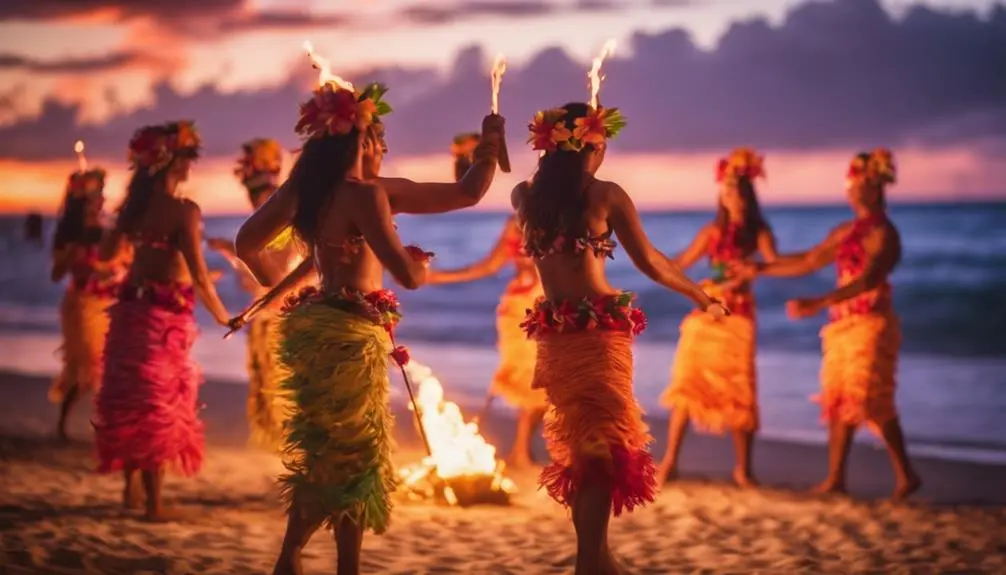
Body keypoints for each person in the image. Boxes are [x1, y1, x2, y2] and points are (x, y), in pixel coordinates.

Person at [232, 80, 504, 575]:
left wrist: (288, 295)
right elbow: (407, 275)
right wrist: (418, 263)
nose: (383, 148)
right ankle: (313, 559)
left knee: (336, 450)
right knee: (354, 455)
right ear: (363, 140)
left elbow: (246, 243)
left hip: (316, 331)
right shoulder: (367, 195)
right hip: (350, 340)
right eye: (379, 138)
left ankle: (304, 557)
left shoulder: (307, 192)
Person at [514, 103, 727, 574]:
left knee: (585, 448)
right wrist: (701, 295)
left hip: (557, 337)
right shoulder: (605, 195)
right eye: (601, 138)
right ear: (591, 144)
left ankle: (599, 558)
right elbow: (649, 259)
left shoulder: (523, 196)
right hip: (598, 336)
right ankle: (591, 561)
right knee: (602, 448)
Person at [733, 148, 921, 501]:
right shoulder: (846, 231)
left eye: (856, 182)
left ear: (875, 185)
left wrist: (818, 302)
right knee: (838, 399)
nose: (848, 188)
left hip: (870, 325)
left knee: (869, 397)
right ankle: (836, 478)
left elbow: (867, 280)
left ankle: (906, 474)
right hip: (841, 328)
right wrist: (760, 268)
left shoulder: (886, 235)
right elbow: (808, 260)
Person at [93, 120, 232, 521]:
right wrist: (225, 317)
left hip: (129, 314)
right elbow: (199, 273)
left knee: (132, 402)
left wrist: (115, 222)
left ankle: (130, 493)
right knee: (157, 405)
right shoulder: (184, 210)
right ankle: (153, 505)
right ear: (172, 160)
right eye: (189, 157)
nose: (192, 165)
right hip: (163, 321)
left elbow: (104, 255)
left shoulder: (133, 210)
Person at [656, 148, 777, 487]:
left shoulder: (759, 232)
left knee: (740, 390)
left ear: (747, 193)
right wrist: (650, 261)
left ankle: (743, 469)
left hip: (738, 317)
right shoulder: (712, 232)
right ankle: (670, 461)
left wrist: (752, 272)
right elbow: (681, 262)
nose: (729, 195)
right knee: (688, 385)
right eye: (724, 189)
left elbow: (773, 263)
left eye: (735, 189)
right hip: (706, 313)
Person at [426, 132, 546, 468]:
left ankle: (523, 449)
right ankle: (522, 449)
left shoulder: (556, 222)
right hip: (517, 308)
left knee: (542, 380)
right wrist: (438, 277)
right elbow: (488, 266)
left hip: (541, 302)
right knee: (531, 380)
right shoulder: (514, 225)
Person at [208, 138, 298, 451]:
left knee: (282, 389)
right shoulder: (263, 228)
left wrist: (233, 253)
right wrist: (229, 252)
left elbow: (276, 273)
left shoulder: (283, 226)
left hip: (280, 318)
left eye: (262, 197)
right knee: (266, 387)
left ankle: (293, 446)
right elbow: (259, 268)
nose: (257, 203)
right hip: (264, 316)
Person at [48, 162, 130, 441]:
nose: (103, 199)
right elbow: (56, 274)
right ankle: (64, 422)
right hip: (83, 305)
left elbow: (123, 259)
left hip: (111, 304)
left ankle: (107, 426)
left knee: (109, 367)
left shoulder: (109, 227)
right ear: (83, 199)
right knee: (86, 366)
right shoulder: (69, 233)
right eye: (97, 195)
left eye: (103, 194)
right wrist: (73, 254)